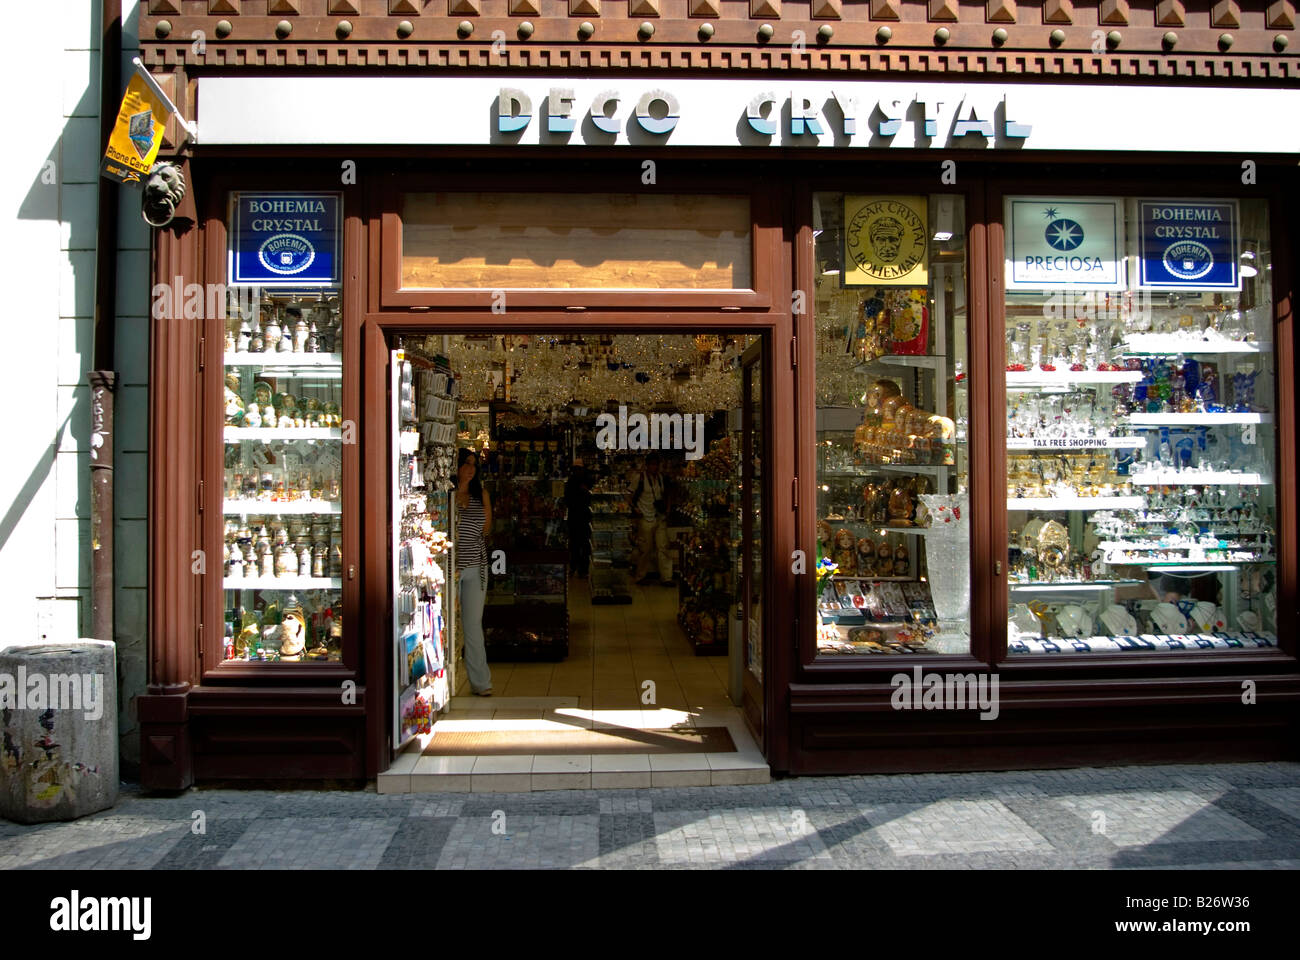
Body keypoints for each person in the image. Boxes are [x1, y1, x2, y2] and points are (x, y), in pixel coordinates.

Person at [454, 448, 494, 696]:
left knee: (472, 624)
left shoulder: (482, 494)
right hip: (451, 567)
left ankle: (481, 682)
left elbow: (487, 529)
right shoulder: (447, 494)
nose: (470, 469)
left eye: (474, 465)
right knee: (448, 623)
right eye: (466, 463)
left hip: (476, 566)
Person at [628, 454, 673, 586]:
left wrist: (668, 508)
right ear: (647, 465)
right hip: (645, 517)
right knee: (645, 549)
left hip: (659, 517)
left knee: (663, 547)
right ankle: (640, 576)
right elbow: (628, 495)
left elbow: (667, 494)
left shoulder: (660, 478)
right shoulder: (639, 478)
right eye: (652, 464)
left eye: (656, 464)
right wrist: (635, 509)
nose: (654, 467)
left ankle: (667, 577)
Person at [565, 465, 593, 578]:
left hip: (575, 517)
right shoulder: (585, 482)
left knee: (575, 544)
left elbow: (567, 500)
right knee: (582, 544)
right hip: (583, 517)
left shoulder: (571, 482)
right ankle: (582, 569)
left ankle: (574, 567)